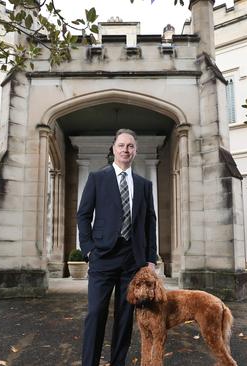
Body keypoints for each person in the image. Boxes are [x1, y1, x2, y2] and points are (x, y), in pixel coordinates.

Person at [77, 128, 157, 366]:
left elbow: (149, 222)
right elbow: (83, 215)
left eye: (130, 146)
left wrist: (151, 258)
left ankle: (117, 363)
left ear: (135, 151)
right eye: (121, 145)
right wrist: (88, 248)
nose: (125, 150)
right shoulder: (97, 179)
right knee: (95, 314)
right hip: (102, 256)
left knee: (125, 318)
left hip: (132, 260)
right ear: (113, 149)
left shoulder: (144, 185)